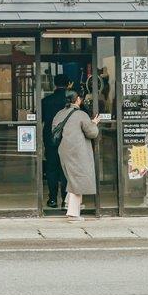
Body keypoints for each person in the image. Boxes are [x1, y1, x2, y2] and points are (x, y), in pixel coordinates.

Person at [54, 89, 99, 220]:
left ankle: (69, 204)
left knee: (71, 178)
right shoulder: (80, 114)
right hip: (77, 152)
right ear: (78, 99)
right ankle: (73, 213)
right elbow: (92, 133)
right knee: (78, 180)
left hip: (64, 150)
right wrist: (94, 124)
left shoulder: (59, 113)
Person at [40, 74, 71, 207]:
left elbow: (38, 118)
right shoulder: (71, 100)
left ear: (54, 84)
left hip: (50, 138)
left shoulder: (46, 101)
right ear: (69, 84)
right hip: (68, 138)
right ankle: (65, 199)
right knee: (66, 168)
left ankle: (52, 199)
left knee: (52, 168)